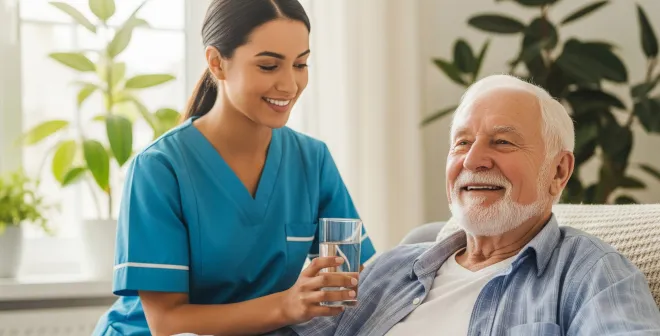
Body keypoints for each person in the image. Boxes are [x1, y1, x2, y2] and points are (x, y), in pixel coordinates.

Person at [281, 74, 660, 336]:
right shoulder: (388, 270)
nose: (473, 159)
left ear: (558, 171)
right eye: (462, 143)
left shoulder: (592, 274)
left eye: (503, 142)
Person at [92, 0, 376, 335]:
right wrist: (285, 306)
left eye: (301, 64)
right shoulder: (160, 169)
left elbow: (356, 277)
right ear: (217, 63)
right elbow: (166, 322)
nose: (290, 85)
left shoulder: (312, 160)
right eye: (269, 66)